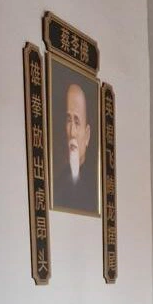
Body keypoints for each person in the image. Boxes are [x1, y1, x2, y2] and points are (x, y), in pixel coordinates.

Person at [53, 82, 97, 213]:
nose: (71, 132)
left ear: (87, 135)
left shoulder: (96, 186)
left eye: (77, 122)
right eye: (68, 120)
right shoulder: (57, 184)